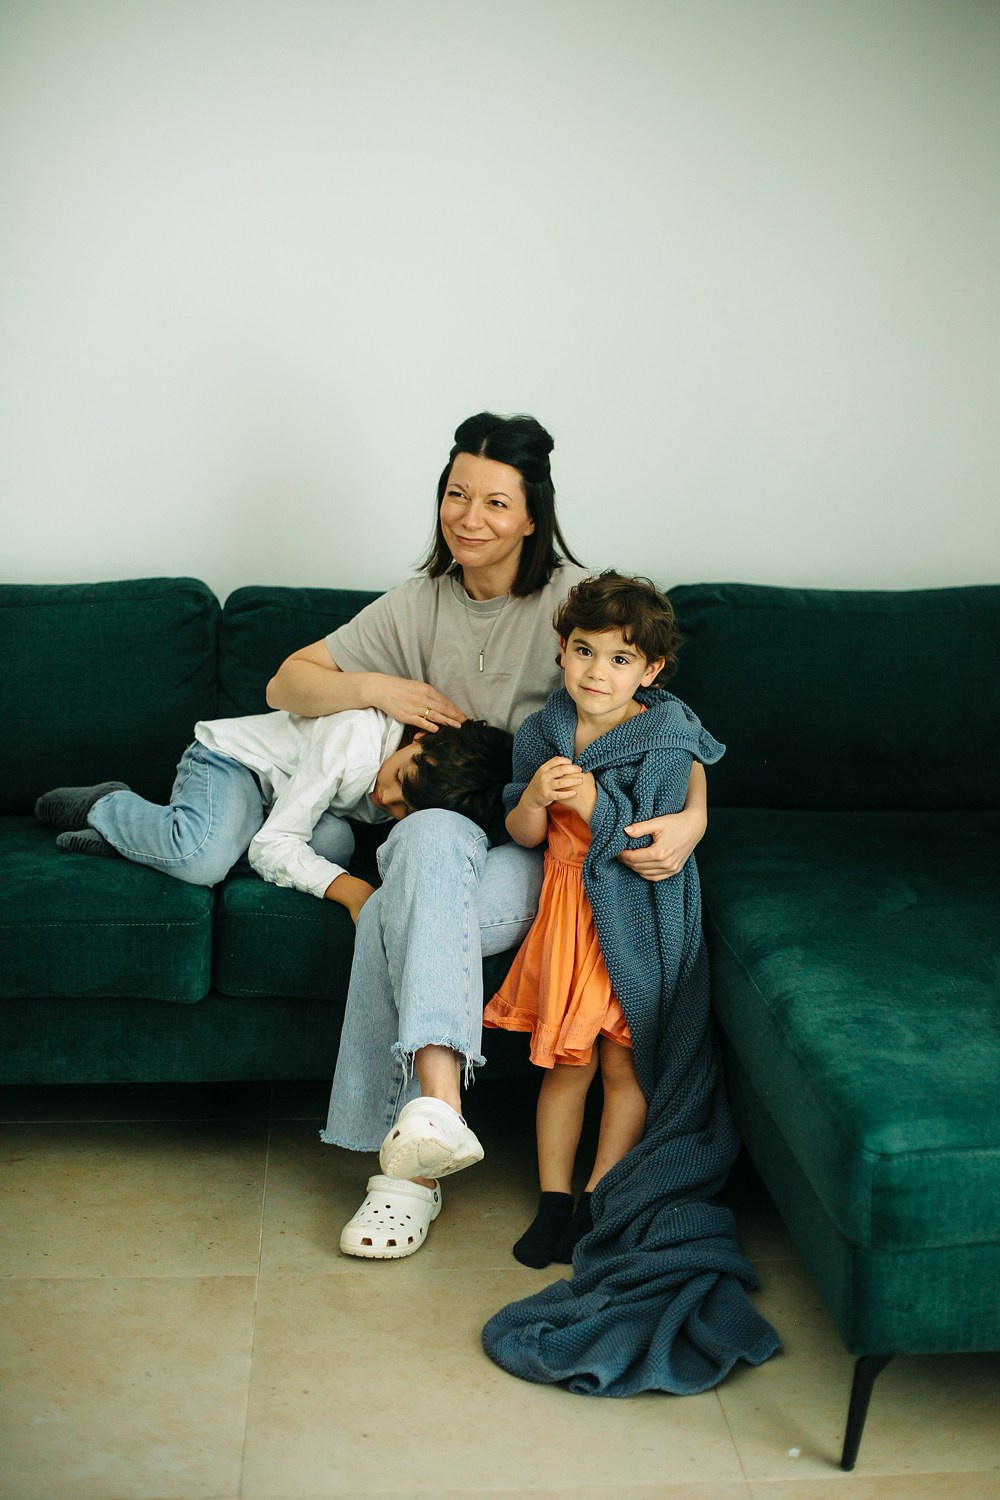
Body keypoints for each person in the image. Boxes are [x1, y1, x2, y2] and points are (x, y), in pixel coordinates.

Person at [265, 411, 710, 1260]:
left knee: (401, 913)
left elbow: (666, 720)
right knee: (427, 842)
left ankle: (404, 1175)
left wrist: (694, 815)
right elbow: (288, 680)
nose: (470, 518)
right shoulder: (418, 603)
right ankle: (437, 1123)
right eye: (456, 495)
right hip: (441, 830)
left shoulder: (570, 606)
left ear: (532, 515)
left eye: (495, 503)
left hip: (536, 849)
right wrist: (384, 690)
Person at [483, 571, 712, 1267]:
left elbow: (650, 847)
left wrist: (591, 807)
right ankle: (553, 1201)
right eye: (585, 651)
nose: (597, 672)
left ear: (651, 670)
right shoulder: (544, 729)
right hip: (566, 913)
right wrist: (534, 804)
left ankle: (598, 1197)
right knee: (565, 1063)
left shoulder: (664, 741)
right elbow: (520, 828)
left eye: (619, 660)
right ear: (562, 648)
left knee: (622, 1065)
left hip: (631, 914)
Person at [34, 708, 513, 920]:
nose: (384, 799)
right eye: (399, 781)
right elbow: (272, 844)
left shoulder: (441, 790)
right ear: (421, 739)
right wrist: (348, 889)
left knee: (336, 845)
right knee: (201, 858)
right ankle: (106, 804)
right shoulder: (355, 736)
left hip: (275, 803)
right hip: (231, 764)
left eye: (405, 810)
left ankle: (141, 845)